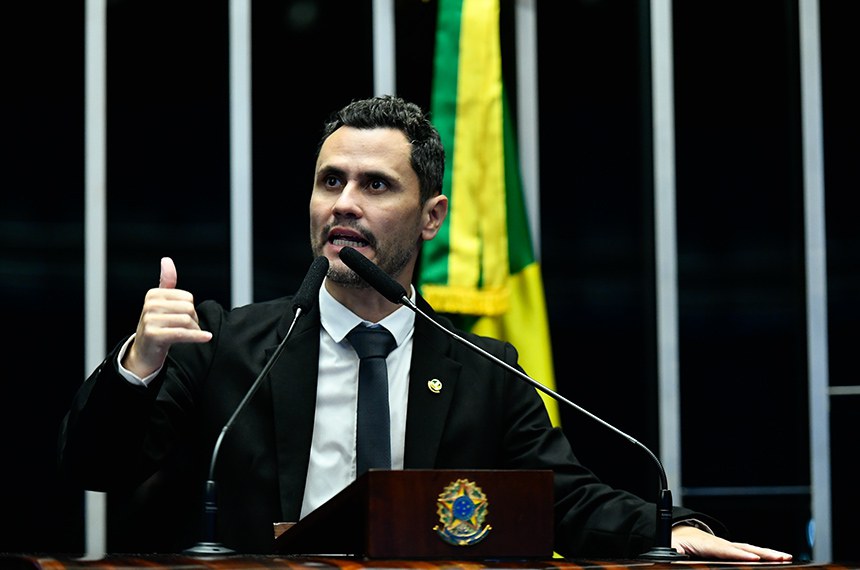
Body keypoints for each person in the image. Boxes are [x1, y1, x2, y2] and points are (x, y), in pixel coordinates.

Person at [58, 95, 792, 561]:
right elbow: (95, 469)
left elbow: (565, 501)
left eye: (376, 185)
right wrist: (140, 363)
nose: (344, 203)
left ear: (432, 217)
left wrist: (672, 530)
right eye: (330, 181)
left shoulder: (483, 367)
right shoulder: (225, 346)